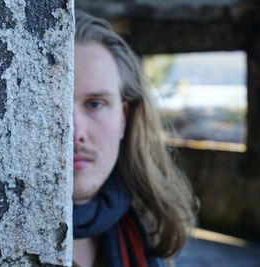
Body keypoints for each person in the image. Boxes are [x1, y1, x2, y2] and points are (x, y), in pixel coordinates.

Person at [73, 10, 196, 267]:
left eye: (95, 104)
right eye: (54, 108)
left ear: (123, 118)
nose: (75, 133)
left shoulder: (145, 224)